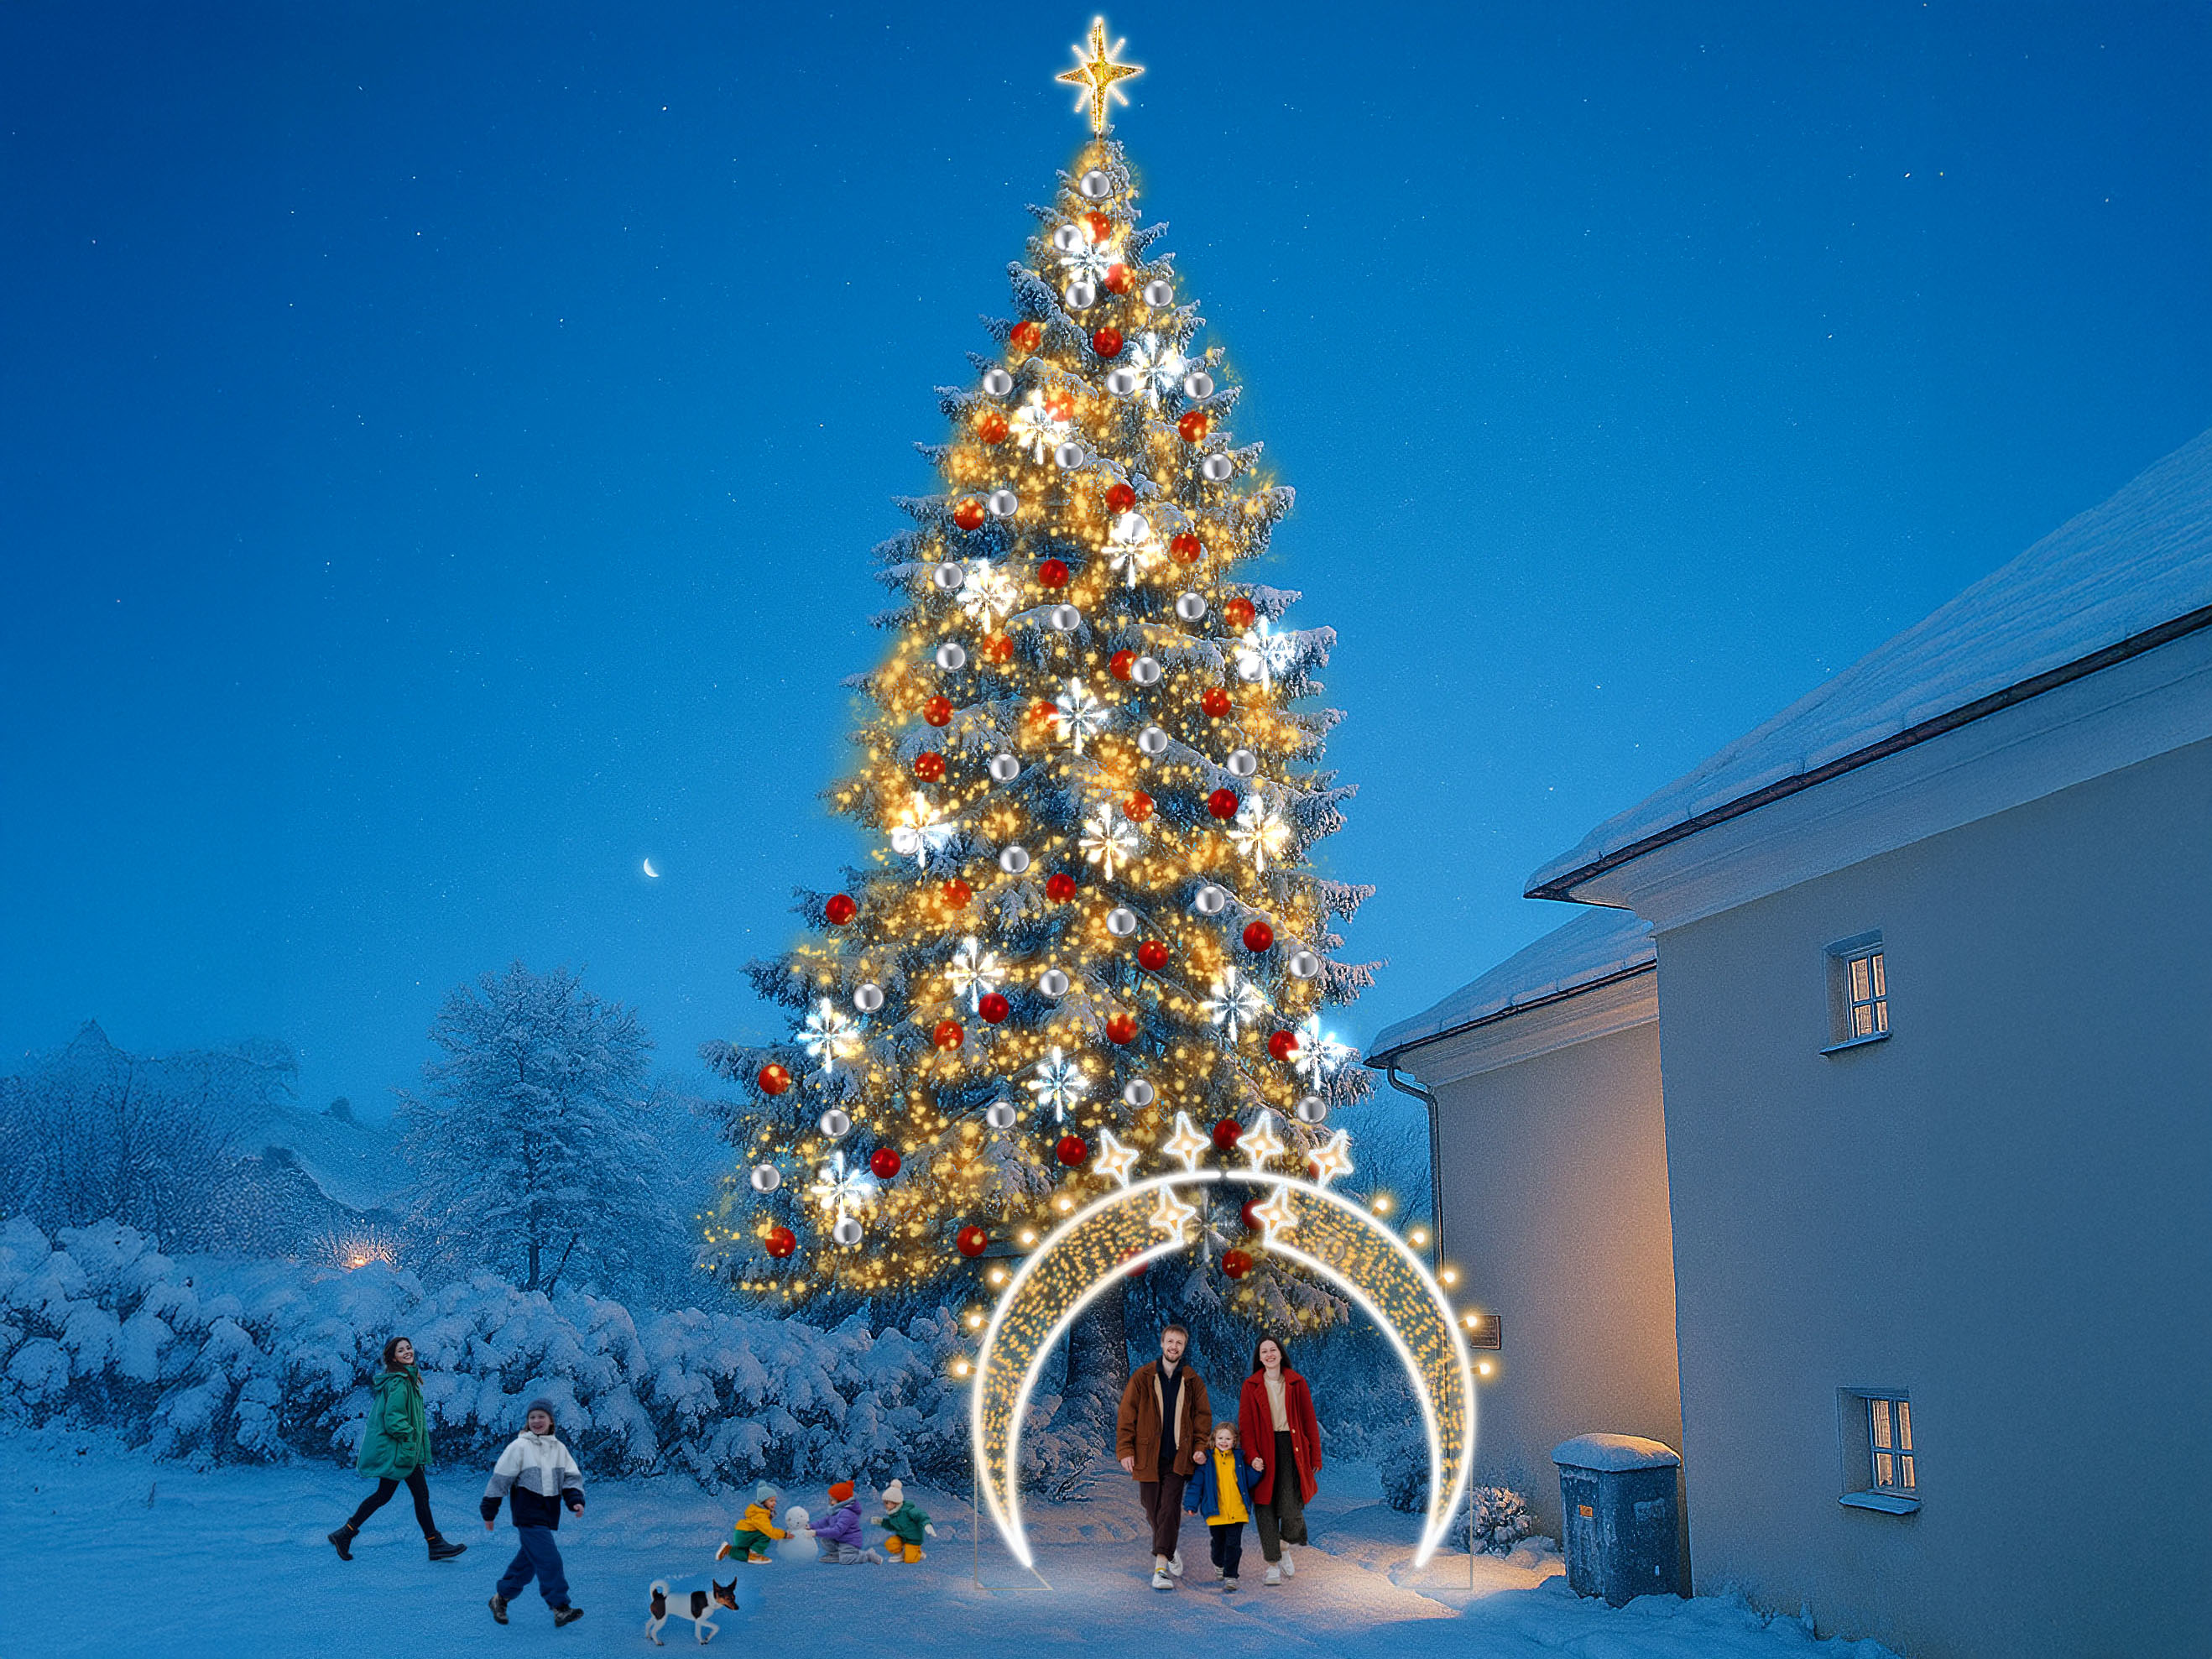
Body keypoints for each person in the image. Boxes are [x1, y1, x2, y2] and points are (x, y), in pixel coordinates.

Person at [328, 1335, 467, 1562]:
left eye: (408, 1348)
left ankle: (345, 1533)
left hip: (402, 1450)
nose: (407, 1352)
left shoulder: (405, 1380)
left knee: (385, 1495)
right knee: (419, 1495)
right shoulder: (400, 1384)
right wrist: (410, 1438)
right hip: (402, 1450)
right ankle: (435, 1544)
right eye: (401, 1350)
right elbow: (393, 1419)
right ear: (393, 1357)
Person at [1115, 1323, 1213, 1591]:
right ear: (1162, 1344)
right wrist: (1125, 1450)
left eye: (1179, 1343)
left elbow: (1202, 1419)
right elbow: (1127, 1416)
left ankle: (1160, 1570)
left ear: (1184, 1347)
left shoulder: (1192, 1381)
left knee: (1169, 1508)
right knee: (1152, 1508)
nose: (1174, 1346)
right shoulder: (1143, 1377)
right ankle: (1168, 1548)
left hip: (1179, 1458)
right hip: (1148, 1455)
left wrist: (1199, 1447)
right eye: (1170, 1341)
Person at [482, 1399, 587, 1628]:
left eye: (541, 1417)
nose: (537, 1421)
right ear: (528, 1422)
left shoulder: (559, 1449)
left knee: (528, 1562)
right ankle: (560, 1607)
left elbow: (571, 1478)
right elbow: (500, 1480)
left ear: (551, 1421)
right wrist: (489, 1510)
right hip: (528, 1515)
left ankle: (501, 1598)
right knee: (550, 1560)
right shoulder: (519, 1448)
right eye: (532, 1417)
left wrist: (575, 1500)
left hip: (546, 1516)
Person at [1237, 1334, 1322, 1586]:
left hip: (1292, 1449)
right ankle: (1272, 1565)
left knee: (1292, 1509)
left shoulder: (1297, 1382)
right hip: (1263, 1451)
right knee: (1265, 1508)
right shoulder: (1250, 1386)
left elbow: (1309, 1420)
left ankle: (1284, 1546)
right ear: (1259, 1358)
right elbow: (1246, 1427)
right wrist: (1252, 1456)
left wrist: (1315, 1455)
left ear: (1281, 1353)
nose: (1269, 1355)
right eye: (1264, 1351)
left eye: (1273, 1350)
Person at [1184, 1420, 1261, 1593]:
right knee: (1219, 1544)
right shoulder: (1208, 1462)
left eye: (1228, 1439)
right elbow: (1196, 1485)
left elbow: (1247, 1481)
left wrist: (1256, 1470)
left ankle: (1231, 1576)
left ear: (1234, 1441)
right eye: (1220, 1438)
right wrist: (1191, 1504)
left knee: (1234, 1545)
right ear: (1214, 1439)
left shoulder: (1239, 1460)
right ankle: (1219, 1564)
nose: (1224, 1442)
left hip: (1237, 1511)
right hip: (1215, 1511)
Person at [715, 1481, 786, 1563]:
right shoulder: (760, 1514)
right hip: (744, 1535)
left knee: (745, 1554)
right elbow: (770, 1531)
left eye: (775, 1501)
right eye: (771, 1501)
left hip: (742, 1534)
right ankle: (754, 1554)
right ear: (763, 1501)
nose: (774, 1503)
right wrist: (784, 1535)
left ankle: (727, 1549)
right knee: (766, 1534)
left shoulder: (758, 1510)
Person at [812, 1479, 881, 1562]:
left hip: (849, 1542)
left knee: (846, 1560)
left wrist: (816, 1533)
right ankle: (838, 1555)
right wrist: (811, 1526)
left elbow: (837, 1531)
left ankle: (867, 1556)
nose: (830, 1501)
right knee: (825, 1539)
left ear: (841, 1500)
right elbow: (825, 1521)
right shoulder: (836, 1510)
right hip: (840, 1539)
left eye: (833, 1499)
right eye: (829, 1499)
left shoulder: (846, 1513)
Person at [871, 1479, 936, 1562]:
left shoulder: (908, 1511)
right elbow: (892, 1526)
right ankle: (901, 1553)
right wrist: (881, 1522)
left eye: (887, 1503)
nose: (885, 1505)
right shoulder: (893, 1514)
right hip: (902, 1538)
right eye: (884, 1502)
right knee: (890, 1543)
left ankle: (918, 1553)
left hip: (913, 1540)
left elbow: (920, 1515)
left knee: (909, 1559)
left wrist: (927, 1524)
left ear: (895, 1502)